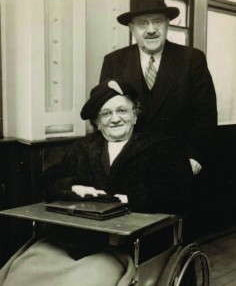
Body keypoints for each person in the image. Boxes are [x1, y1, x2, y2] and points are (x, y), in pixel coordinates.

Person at [0, 79, 193, 286]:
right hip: (77, 240)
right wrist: (74, 187)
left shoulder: (162, 148)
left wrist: (129, 198)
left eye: (122, 111)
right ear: (97, 122)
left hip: (127, 249)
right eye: (106, 113)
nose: (115, 119)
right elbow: (48, 181)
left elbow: (180, 191)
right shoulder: (83, 148)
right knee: (24, 271)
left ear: (135, 115)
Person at [99, 0, 217, 178]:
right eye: (142, 23)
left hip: (179, 167)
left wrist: (194, 158)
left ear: (167, 24)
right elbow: (103, 114)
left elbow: (205, 115)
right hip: (130, 168)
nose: (151, 30)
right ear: (131, 28)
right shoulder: (113, 61)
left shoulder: (192, 59)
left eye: (158, 21)